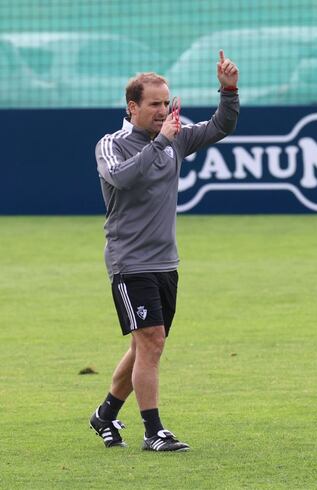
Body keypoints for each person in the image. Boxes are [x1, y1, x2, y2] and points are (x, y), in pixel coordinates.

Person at [90, 50, 239, 452]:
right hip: (129, 262)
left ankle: (104, 414)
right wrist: (162, 142)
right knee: (152, 340)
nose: (163, 110)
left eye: (166, 102)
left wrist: (228, 91)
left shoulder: (176, 136)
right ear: (132, 106)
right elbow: (122, 179)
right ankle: (153, 430)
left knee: (145, 345)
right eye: (154, 104)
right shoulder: (112, 144)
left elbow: (220, 127)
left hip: (165, 261)